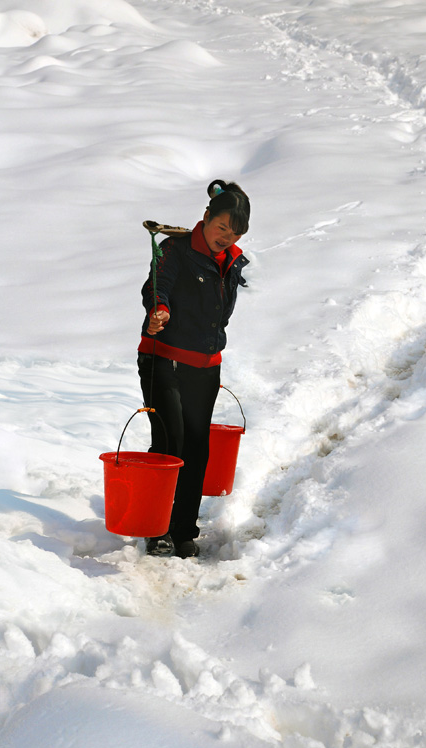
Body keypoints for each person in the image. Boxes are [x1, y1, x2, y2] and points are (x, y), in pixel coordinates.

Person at [137, 179, 250, 558]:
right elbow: (157, 283)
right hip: (163, 358)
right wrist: (158, 309)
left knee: (197, 449)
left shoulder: (231, 261)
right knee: (171, 443)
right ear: (206, 218)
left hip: (205, 367)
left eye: (234, 232)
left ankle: (183, 530)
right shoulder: (176, 249)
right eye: (221, 227)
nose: (226, 236)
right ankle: (157, 529)